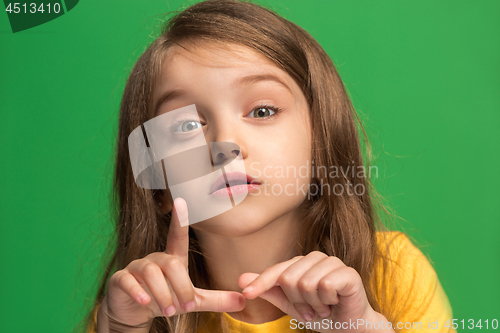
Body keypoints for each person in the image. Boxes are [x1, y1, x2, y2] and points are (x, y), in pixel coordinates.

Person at [81, 0, 455, 332]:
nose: (224, 146)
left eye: (262, 111)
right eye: (186, 126)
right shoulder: (130, 314)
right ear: (158, 188)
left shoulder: (393, 274)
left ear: (322, 145)